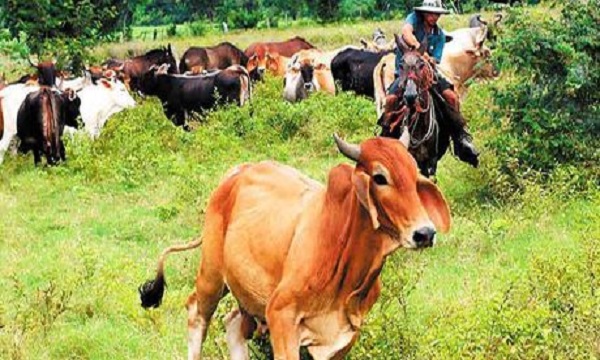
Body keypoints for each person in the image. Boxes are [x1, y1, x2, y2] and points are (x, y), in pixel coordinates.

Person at [389, 0, 479, 166]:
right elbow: (406, 32)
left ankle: (460, 137)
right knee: (390, 100)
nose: (434, 17)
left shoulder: (440, 36)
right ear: (424, 13)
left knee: (451, 97)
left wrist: (427, 59)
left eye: (437, 14)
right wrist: (418, 47)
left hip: (426, 74)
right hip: (405, 73)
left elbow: (435, 60)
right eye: (431, 13)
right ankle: (384, 135)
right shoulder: (414, 19)